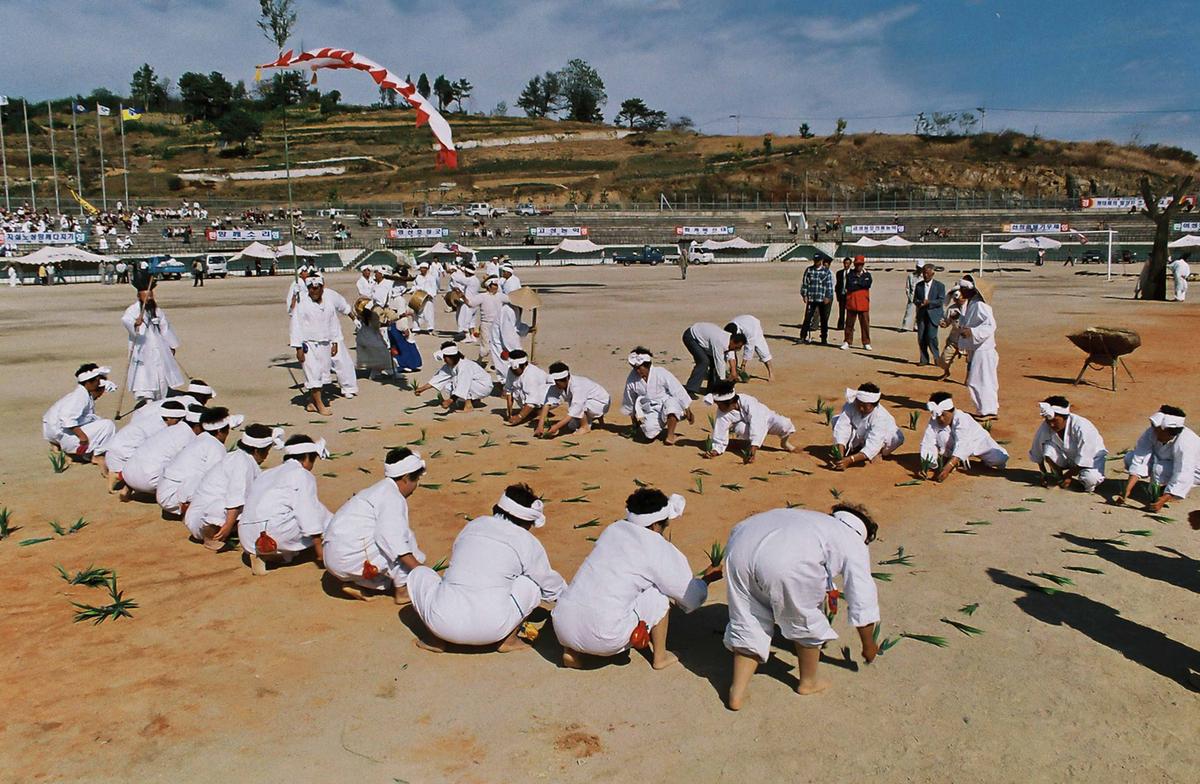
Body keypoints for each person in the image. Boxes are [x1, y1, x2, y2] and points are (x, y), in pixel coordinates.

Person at [723, 504, 880, 710]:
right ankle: (808, 682)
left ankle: (738, 691)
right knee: (804, 619)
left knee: (749, 618)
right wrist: (868, 645)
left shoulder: (812, 518)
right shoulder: (853, 540)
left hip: (740, 545)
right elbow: (862, 598)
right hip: (783, 562)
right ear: (865, 534)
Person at [553, 489, 721, 670]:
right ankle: (660, 657)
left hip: (562, 625)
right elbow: (690, 596)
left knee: (593, 585)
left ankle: (572, 651)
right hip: (604, 637)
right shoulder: (657, 546)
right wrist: (706, 580)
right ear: (657, 525)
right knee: (658, 595)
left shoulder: (613, 530)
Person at [408, 484, 565, 653]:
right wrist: (567, 599)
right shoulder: (527, 540)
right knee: (531, 583)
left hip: (442, 624)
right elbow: (548, 583)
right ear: (527, 523)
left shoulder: (474, 525)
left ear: (496, 508)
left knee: (419, 573)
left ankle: (435, 640)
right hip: (492, 629)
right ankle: (509, 641)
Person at [323, 448, 427, 601]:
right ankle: (402, 591)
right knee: (404, 539)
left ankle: (357, 583)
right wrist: (421, 570)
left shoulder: (377, 490)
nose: (415, 487)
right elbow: (392, 539)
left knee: (389, 546)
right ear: (405, 478)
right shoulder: (393, 497)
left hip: (333, 557)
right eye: (416, 480)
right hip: (348, 556)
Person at [238, 435, 332, 575]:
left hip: (247, 536)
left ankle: (267, 554)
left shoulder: (267, 473)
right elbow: (308, 511)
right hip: (273, 535)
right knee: (322, 514)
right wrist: (319, 549)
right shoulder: (301, 474)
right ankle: (275, 552)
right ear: (307, 457)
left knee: (288, 512)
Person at [184, 424, 282, 550]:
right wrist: (228, 526)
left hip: (206, 513)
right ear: (257, 450)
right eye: (266, 451)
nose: (267, 455)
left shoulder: (241, 458)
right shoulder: (242, 463)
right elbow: (235, 499)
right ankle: (213, 538)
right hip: (202, 518)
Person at [157, 407, 243, 517]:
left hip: (166, 490)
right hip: (173, 497)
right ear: (219, 431)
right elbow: (217, 480)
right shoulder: (215, 446)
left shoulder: (202, 438)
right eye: (227, 430)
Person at [1116, 405, 1200, 510]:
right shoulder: (1152, 432)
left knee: (1159, 469)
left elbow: (1183, 473)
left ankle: (1168, 493)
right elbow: (1140, 458)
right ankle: (1160, 489)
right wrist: (1127, 490)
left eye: (1159, 430)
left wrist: (1164, 499)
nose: (1154, 432)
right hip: (1165, 462)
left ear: (1169, 432)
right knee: (1130, 457)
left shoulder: (1186, 442)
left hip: (1195, 471)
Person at [42, 364, 118, 471]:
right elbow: (67, 419)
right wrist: (83, 437)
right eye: (96, 381)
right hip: (63, 436)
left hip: (53, 434)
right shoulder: (80, 396)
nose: (98, 384)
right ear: (88, 383)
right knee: (108, 425)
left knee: (98, 421)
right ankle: (97, 456)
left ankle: (60, 446)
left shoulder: (81, 394)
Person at [121, 403, 205, 499]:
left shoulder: (170, 428)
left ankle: (129, 487)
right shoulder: (190, 438)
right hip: (148, 482)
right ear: (198, 426)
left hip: (127, 474)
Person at [107, 397, 191, 491]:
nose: (179, 422)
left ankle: (125, 483)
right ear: (168, 418)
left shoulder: (156, 418)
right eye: (178, 419)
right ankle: (119, 477)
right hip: (124, 452)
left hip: (120, 448)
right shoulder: (158, 427)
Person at [920, 392, 1008, 481]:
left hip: (977, 442)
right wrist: (927, 466)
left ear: (952, 411)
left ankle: (955, 460)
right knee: (942, 435)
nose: (941, 419)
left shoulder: (963, 418)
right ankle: (950, 458)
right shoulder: (935, 420)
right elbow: (928, 442)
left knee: (999, 459)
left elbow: (963, 443)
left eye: (944, 415)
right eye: (938, 416)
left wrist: (947, 468)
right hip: (955, 444)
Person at [702, 380, 795, 463]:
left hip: (768, 420)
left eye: (720, 405)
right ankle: (750, 443)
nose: (719, 408)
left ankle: (784, 443)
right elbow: (720, 429)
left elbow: (758, 422)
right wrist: (716, 450)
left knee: (785, 424)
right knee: (739, 428)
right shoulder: (723, 412)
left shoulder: (747, 401)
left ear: (730, 402)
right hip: (749, 425)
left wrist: (754, 447)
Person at [1029, 397, 1107, 493]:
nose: (1051, 425)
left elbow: (1086, 456)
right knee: (1048, 449)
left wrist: (1068, 475)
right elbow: (1038, 448)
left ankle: (1081, 483)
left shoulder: (1082, 426)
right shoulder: (1046, 425)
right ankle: (1058, 475)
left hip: (1092, 460)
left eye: (1055, 421)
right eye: (1048, 421)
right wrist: (1043, 473)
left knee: (1090, 479)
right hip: (1069, 458)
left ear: (1065, 417)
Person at [289, 275, 343, 415]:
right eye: (311, 289)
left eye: (316, 288)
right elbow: (296, 326)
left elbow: (334, 323)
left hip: (325, 343)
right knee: (313, 374)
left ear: (321, 288)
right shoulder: (302, 305)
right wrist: (298, 347)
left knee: (323, 374)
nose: (314, 291)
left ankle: (311, 402)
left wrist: (335, 342)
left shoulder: (328, 304)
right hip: (309, 345)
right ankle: (320, 405)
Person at [122, 288, 185, 402]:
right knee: (144, 373)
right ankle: (147, 397)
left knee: (160, 371)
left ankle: (161, 396)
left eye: (151, 296)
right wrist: (135, 323)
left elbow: (165, 327)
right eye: (146, 297)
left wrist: (171, 345)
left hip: (159, 346)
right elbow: (126, 321)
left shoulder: (157, 310)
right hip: (142, 347)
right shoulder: (133, 310)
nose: (149, 299)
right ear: (139, 297)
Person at [622, 348, 693, 444]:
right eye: (635, 368)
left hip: (666, 403)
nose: (637, 371)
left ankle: (670, 435)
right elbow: (630, 398)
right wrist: (634, 420)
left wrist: (687, 409)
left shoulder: (660, 372)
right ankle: (659, 428)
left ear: (647, 365)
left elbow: (677, 389)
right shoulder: (632, 378)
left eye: (639, 368)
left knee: (671, 406)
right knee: (649, 432)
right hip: (650, 410)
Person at [831, 384, 905, 470]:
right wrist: (840, 454)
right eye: (859, 405)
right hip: (860, 434)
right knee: (836, 420)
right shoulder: (851, 405)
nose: (861, 409)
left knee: (895, 437)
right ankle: (856, 449)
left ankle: (877, 452)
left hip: (879, 438)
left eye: (865, 407)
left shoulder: (881, 417)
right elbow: (842, 427)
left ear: (874, 405)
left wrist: (850, 460)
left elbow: (874, 443)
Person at [957, 276, 999, 419]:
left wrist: (973, 332)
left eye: (963, 289)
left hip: (984, 349)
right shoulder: (971, 303)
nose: (961, 292)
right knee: (982, 379)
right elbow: (970, 321)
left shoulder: (980, 305)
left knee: (981, 380)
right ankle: (986, 409)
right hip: (977, 349)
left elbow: (990, 325)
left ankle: (987, 410)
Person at [536, 362, 611, 438]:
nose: (556, 384)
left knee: (579, 405)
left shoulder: (578, 386)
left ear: (567, 378)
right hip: (590, 403)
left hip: (601, 402)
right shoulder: (557, 385)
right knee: (572, 426)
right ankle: (595, 418)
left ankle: (585, 427)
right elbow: (547, 404)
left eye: (558, 382)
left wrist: (556, 427)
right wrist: (540, 426)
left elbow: (576, 409)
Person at [415, 342, 493, 412]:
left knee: (457, 380)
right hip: (475, 385)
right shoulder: (450, 365)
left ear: (452, 357)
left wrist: (450, 401)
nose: (444, 360)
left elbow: (463, 385)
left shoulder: (464, 366)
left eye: (445, 358)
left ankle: (468, 405)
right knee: (448, 386)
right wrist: (422, 389)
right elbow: (437, 378)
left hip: (484, 386)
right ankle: (474, 400)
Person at [681, 321, 747, 397]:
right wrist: (723, 381)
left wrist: (733, 371)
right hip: (691, 337)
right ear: (733, 342)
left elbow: (731, 356)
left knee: (713, 364)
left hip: (704, 340)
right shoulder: (720, 341)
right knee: (704, 362)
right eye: (737, 347)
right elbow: (719, 361)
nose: (737, 349)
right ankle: (690, 390)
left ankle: (711, 391)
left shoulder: (729, 339)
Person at [503, 350, 551, 426]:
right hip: (531, 397)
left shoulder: (531, 375)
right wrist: (509, 413)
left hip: (549, 394)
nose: (514, 372)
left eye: (516, 369)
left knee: (535, 400)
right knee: (518, 390)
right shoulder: (511, 370)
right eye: (512, 369)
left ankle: (540, 409)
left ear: (524, 365)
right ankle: (532, 411)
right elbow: (509, 391)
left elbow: (532, 400)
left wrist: (519, 417)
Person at [912, 261, 946, 366]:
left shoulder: (940, 286)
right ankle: (924, 359)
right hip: (922, 314)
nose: (925, 275)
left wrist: (929, 302)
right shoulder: (919, 286)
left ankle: (936, 357)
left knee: (931, 336)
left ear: (932, 274)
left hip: (934, 314)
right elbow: (915, 299)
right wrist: (920, 303)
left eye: (927, 273)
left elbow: (941, 301)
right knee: (921, 337)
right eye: (924, 273)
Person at [725, 315, 774, 381]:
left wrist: (743, 365)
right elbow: (730, 349)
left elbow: (749, 347)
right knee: (732, 348)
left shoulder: (749, 331)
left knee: (761, 349)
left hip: (753, 324)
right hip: (744, 322)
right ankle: (734, 370)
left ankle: (771, 373)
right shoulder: (728, 329)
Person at [840, 255, 873, 350]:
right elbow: (850, 286)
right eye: (857, 264)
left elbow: (867, 284)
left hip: (863, 303)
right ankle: (847, 341)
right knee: (849, 324)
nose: (859, 266)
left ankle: (866, 342)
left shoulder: (867, 275)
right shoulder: (850, 274)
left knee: (865, 324)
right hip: (852, 302)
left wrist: (857, 283)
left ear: (863, 264)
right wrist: (860, 284)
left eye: (860, 264)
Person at [800, 257, 834, 345]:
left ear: (821, 261)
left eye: (818, 260)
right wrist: (804, 295)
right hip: (811, 298)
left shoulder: (826, 271)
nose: (816, 262)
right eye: (815, 260)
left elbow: (829, 285)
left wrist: (828, 297)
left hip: (822, 298)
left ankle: (824, 338)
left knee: (823, 319)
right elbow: (805, 283)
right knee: (807, 318)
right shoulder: (809, 270)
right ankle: (803, 336)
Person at [936, 286, 965, 381]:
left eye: (959, 298)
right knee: (943, 360)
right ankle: (946, 372)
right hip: (954, 340)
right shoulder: (951, 309)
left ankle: (969, 379)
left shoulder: (972, 308)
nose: (957, 301)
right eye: (955, 299)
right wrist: (943, 323)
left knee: (972, 362)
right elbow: (945, 322)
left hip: (968, 341)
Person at [411, 261, 439, 333]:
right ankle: (416, 329)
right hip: (419, 297)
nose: (422, 270)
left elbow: (434, 287)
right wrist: (413, 291)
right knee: (416, 313)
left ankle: (430, 328)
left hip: (428, 298)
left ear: (427, 269)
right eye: (421, 268)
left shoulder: (431, 277)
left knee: (429, 313)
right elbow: (414, 285)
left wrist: (431, 294)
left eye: (423, 268)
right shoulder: (418, 277)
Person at [900, 261, 921, 332]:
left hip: (921, 297)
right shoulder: (911, 276)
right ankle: (905, 327)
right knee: (909, 312)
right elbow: (907, 288)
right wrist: (909, 296)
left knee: (920, 312)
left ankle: (917, 327)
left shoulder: (924, 276)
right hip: (912, 296)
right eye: (919, 268)